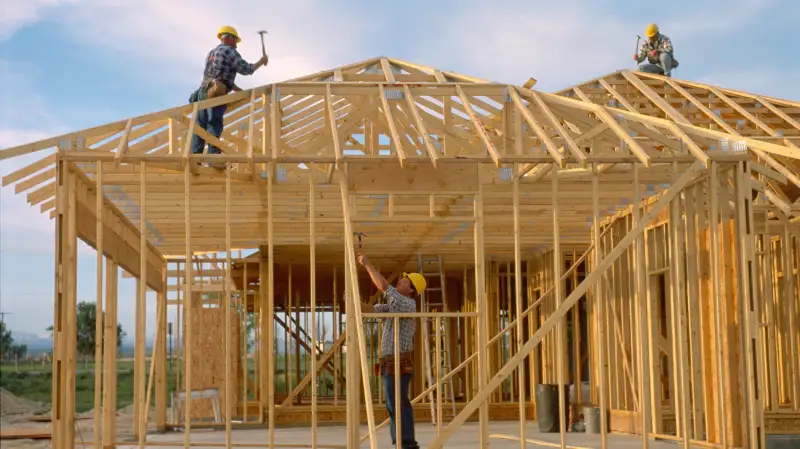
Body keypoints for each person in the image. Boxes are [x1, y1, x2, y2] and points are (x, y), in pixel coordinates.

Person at [357, 250, 426, 449]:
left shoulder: (407, 304)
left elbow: (384, 287)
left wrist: (368, 264)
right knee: (393, 405)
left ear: (411, 290)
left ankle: (406, 444)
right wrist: (353, 300)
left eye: (405, 282)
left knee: (399, 404)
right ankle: (400, 443)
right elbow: (371, 310)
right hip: (390, 363)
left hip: (399, 363)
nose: (400, 282)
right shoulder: (394, 305)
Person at [189, 26, 268, 166]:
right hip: (216, 93)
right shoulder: (229, 51)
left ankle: (196, 160)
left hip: (203, 91)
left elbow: (218, 75)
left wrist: (236, 89)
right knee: (214, 124)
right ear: (230, 39)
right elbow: (247, 69)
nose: (236, 45)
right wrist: (261, 62)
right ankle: (214, 160)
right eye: (235, 41)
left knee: (200, 126)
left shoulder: (211, 53)